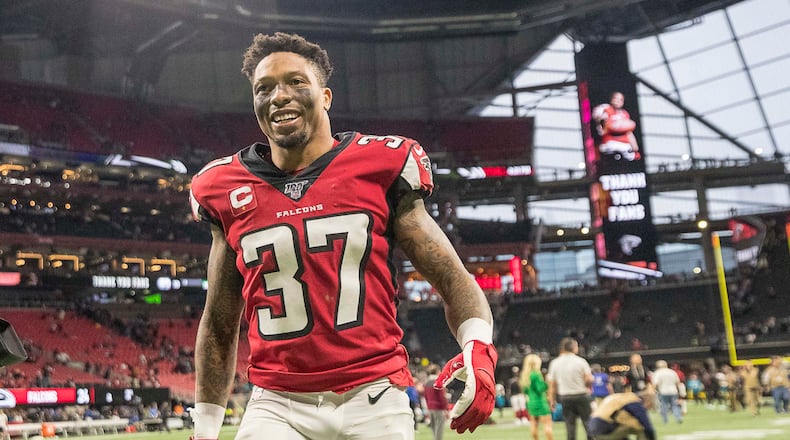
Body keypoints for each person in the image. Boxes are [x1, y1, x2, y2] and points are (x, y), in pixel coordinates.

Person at [188, 32, 497, 440]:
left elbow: (452, 277)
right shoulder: (222, 185)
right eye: (264, 88)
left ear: (326, 96)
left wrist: (478, 346)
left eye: (296, 82)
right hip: (276, 404)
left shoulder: (379, 163)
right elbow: (220, 320)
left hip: (373, 396)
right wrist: (206, 426)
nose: (278, 95)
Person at [547, 338, 593, 440]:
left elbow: (552, 385)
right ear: (573, 347)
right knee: (588, 424)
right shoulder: (581, 361)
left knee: (570, 426)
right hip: (581, 396)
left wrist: (552, 400)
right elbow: (588, 380)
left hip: (565, 397)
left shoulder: (555, 363)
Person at [592, 91, 640, 161]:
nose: (618, 101)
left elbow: (629, 132)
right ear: (612, 99)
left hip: (625, 146)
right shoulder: (605, 108)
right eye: (616, 98)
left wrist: (635, 147)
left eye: (621, 100)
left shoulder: (624, 113)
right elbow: (600, 121)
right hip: (610, 143)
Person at [587, 392, 655, 440]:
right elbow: (647, 425)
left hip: (592, 429)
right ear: (646, 401)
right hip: (604, 428)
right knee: (640, 428)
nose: (647, 409)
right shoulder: (634, 401)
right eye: (649, 406)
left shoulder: (620, 397)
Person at [521, 354, 553, 440]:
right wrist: (547, 383)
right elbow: (540, 389)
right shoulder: (536, 374)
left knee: (534, 425)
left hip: (531, 403)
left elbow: (525, 391)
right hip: (541, 402)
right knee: (547, 424)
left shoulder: (525, 375)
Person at [651, 360, 683, 424]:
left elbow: (655, 384)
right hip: (673, 391)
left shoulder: (657, 373)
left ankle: (665, 420)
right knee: (675, 405)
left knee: (664, 406)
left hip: (663, 392)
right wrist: (680, 392)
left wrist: (653, 391)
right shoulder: (672, 372)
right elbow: (678, 382)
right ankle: (678, 418)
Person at [423, 364, 449, 440]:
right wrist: (446, 409)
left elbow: (426, 396)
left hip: (430, 407)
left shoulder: (427, 382)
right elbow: (442, 397)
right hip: (439, 408)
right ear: (437, 371)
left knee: (434, 428)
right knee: (439, 428)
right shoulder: (438, 381)